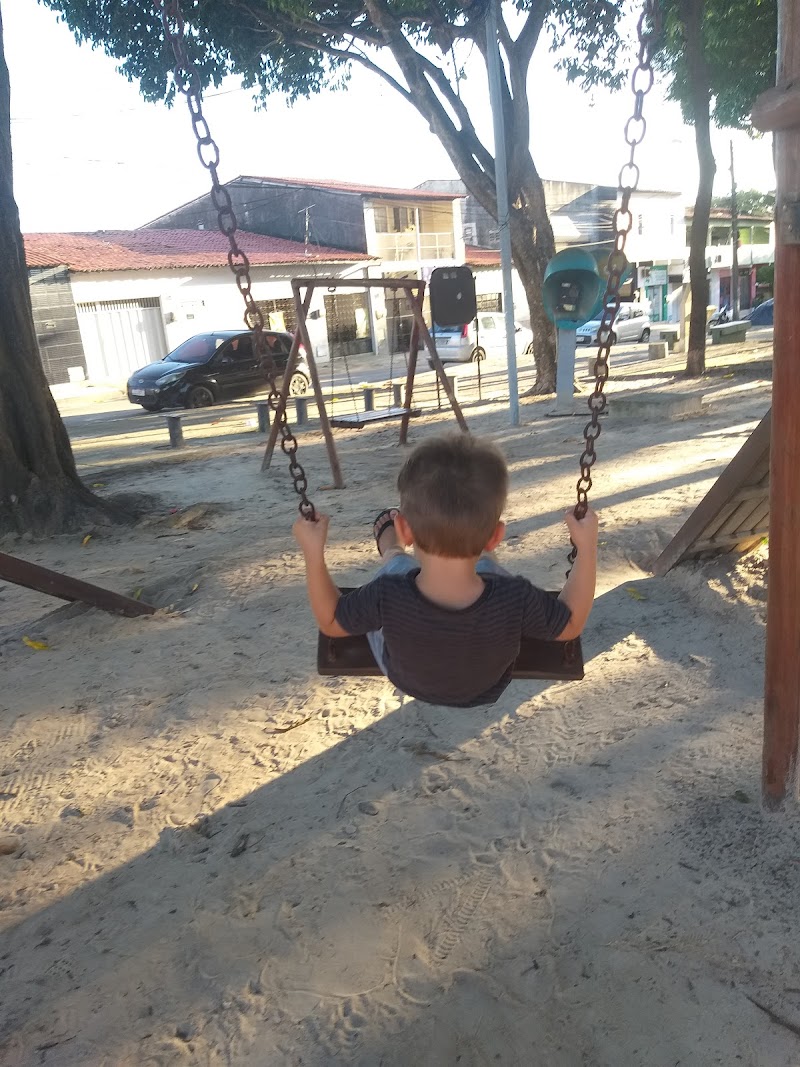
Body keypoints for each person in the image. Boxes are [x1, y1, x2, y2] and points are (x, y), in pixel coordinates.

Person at [293, 434, 598, 708]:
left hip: (407, 678)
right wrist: (587, 548)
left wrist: (312, 553)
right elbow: (570, 625)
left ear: (405, 528)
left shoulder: (388, 593)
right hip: (486, 686)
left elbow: (331, 621)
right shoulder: (514, 597)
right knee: (487, 568)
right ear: (496, 536)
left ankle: (392, 547)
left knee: (397, 566)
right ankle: (471, 547)